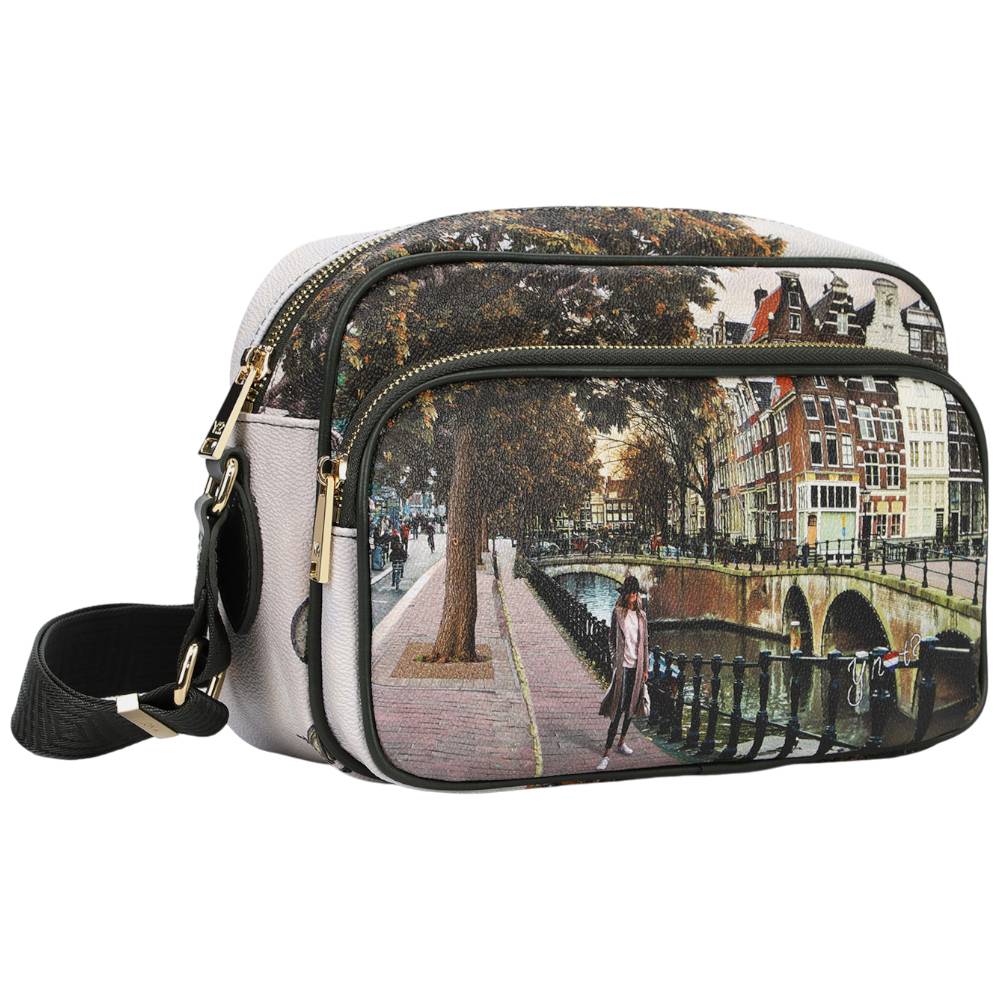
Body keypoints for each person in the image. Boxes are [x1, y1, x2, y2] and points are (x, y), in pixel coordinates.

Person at [597, 574, 649, 771]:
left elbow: (645, 643)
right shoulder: (617, 613)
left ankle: (621, 742)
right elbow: (611, 639)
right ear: (625, 594)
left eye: (635, 594)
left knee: (631, 707)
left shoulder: (642, 616)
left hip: (637, 668)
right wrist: (614, 660)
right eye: (630, 594)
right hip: (623, 667)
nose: (633, 597)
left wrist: (645, 668)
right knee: (618, 708)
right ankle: (606, 753)